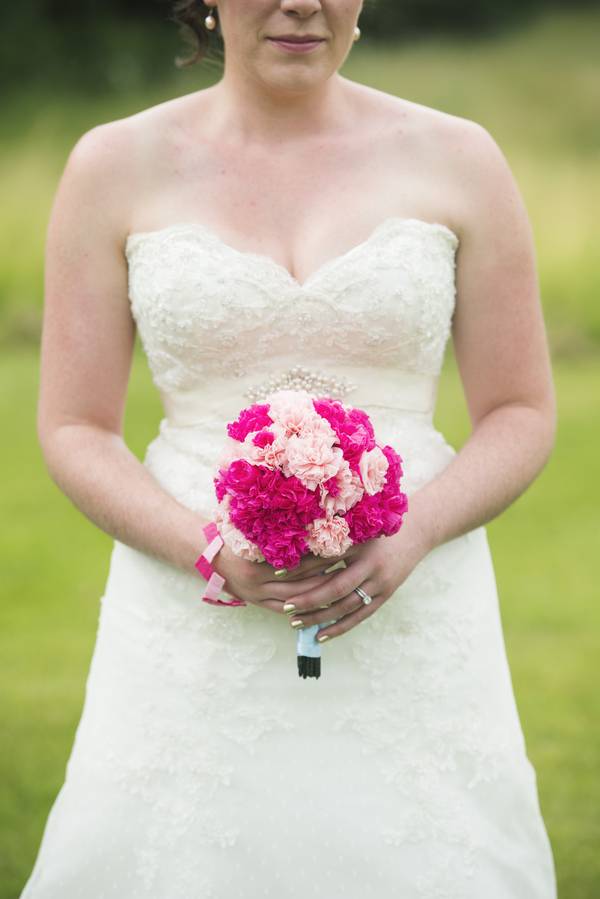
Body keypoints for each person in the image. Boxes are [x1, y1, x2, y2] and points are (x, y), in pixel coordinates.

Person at [20, 0, 558, 896]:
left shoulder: (461, 158)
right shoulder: (113, 165)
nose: (301, 2)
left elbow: (521, 409)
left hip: (412, 604)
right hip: (188, 617)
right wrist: (205, 548)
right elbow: (75, 427)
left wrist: (418, 531)